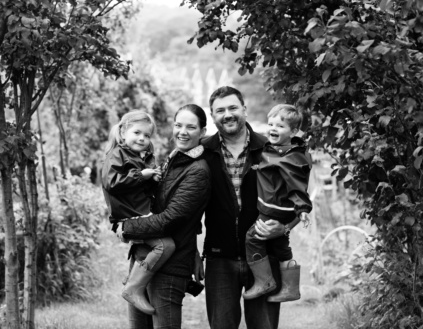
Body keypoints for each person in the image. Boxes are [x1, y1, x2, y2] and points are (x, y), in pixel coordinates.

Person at [200, 86, 295, 329]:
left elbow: (297, 200)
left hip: (265, 255)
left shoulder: (271, 150)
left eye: (233, 107)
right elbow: (188, 208)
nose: (227, 114)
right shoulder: (202, 153)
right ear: (212, 116)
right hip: (219, 259)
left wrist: (283, 227)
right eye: (220, 110)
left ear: (244, 109)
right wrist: (191, 250)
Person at [117, 104, 211, 329]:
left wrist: (127, 228)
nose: (182, 132)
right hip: (143, 259)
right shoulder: (174, 160)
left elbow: (172, 218)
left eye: (191, 127)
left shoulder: (197, 170)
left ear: (203, 132)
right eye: (178, 125)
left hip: (169, 268)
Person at [101, 110, 171, 315]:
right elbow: (111, 183)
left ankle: (134, 280)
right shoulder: (116, 155)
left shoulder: (143, 156)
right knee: (165, 245)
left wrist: (153, 180)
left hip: (140, 213)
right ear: (123, 133)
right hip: (128, 217)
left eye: (147, 135)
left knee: (157, 247)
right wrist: (141, 175)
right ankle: (133, 287)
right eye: (137, 133)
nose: (142, 138)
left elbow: (141, 190)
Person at [243, 104, 313, 302]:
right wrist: (259, 167)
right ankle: (291, 289)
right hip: (278, 207)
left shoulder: (290, 156)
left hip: (275, 208)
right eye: (271, 124)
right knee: (281, 245)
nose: (273, 129)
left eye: (280, 126)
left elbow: (297, 184)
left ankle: (264, 282)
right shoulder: (279, 150)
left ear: (293, 131)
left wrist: (302, 209)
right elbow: (271, 167)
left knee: (253, 238)